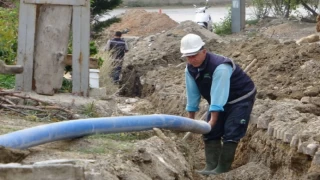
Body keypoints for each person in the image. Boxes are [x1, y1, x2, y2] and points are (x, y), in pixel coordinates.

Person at [180, 33, 256, 175]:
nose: (191, 59)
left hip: (240, 97)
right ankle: (211, 166)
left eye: (194, 55)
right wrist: (190, 118)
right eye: (188, 57)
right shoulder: (189, 69)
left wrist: (213, 119)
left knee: (231, 131)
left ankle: (222, 168)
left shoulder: (219, 66)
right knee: (211, 131)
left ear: (204, 51)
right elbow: (192, 93)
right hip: (219, 99)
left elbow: (218, 94)